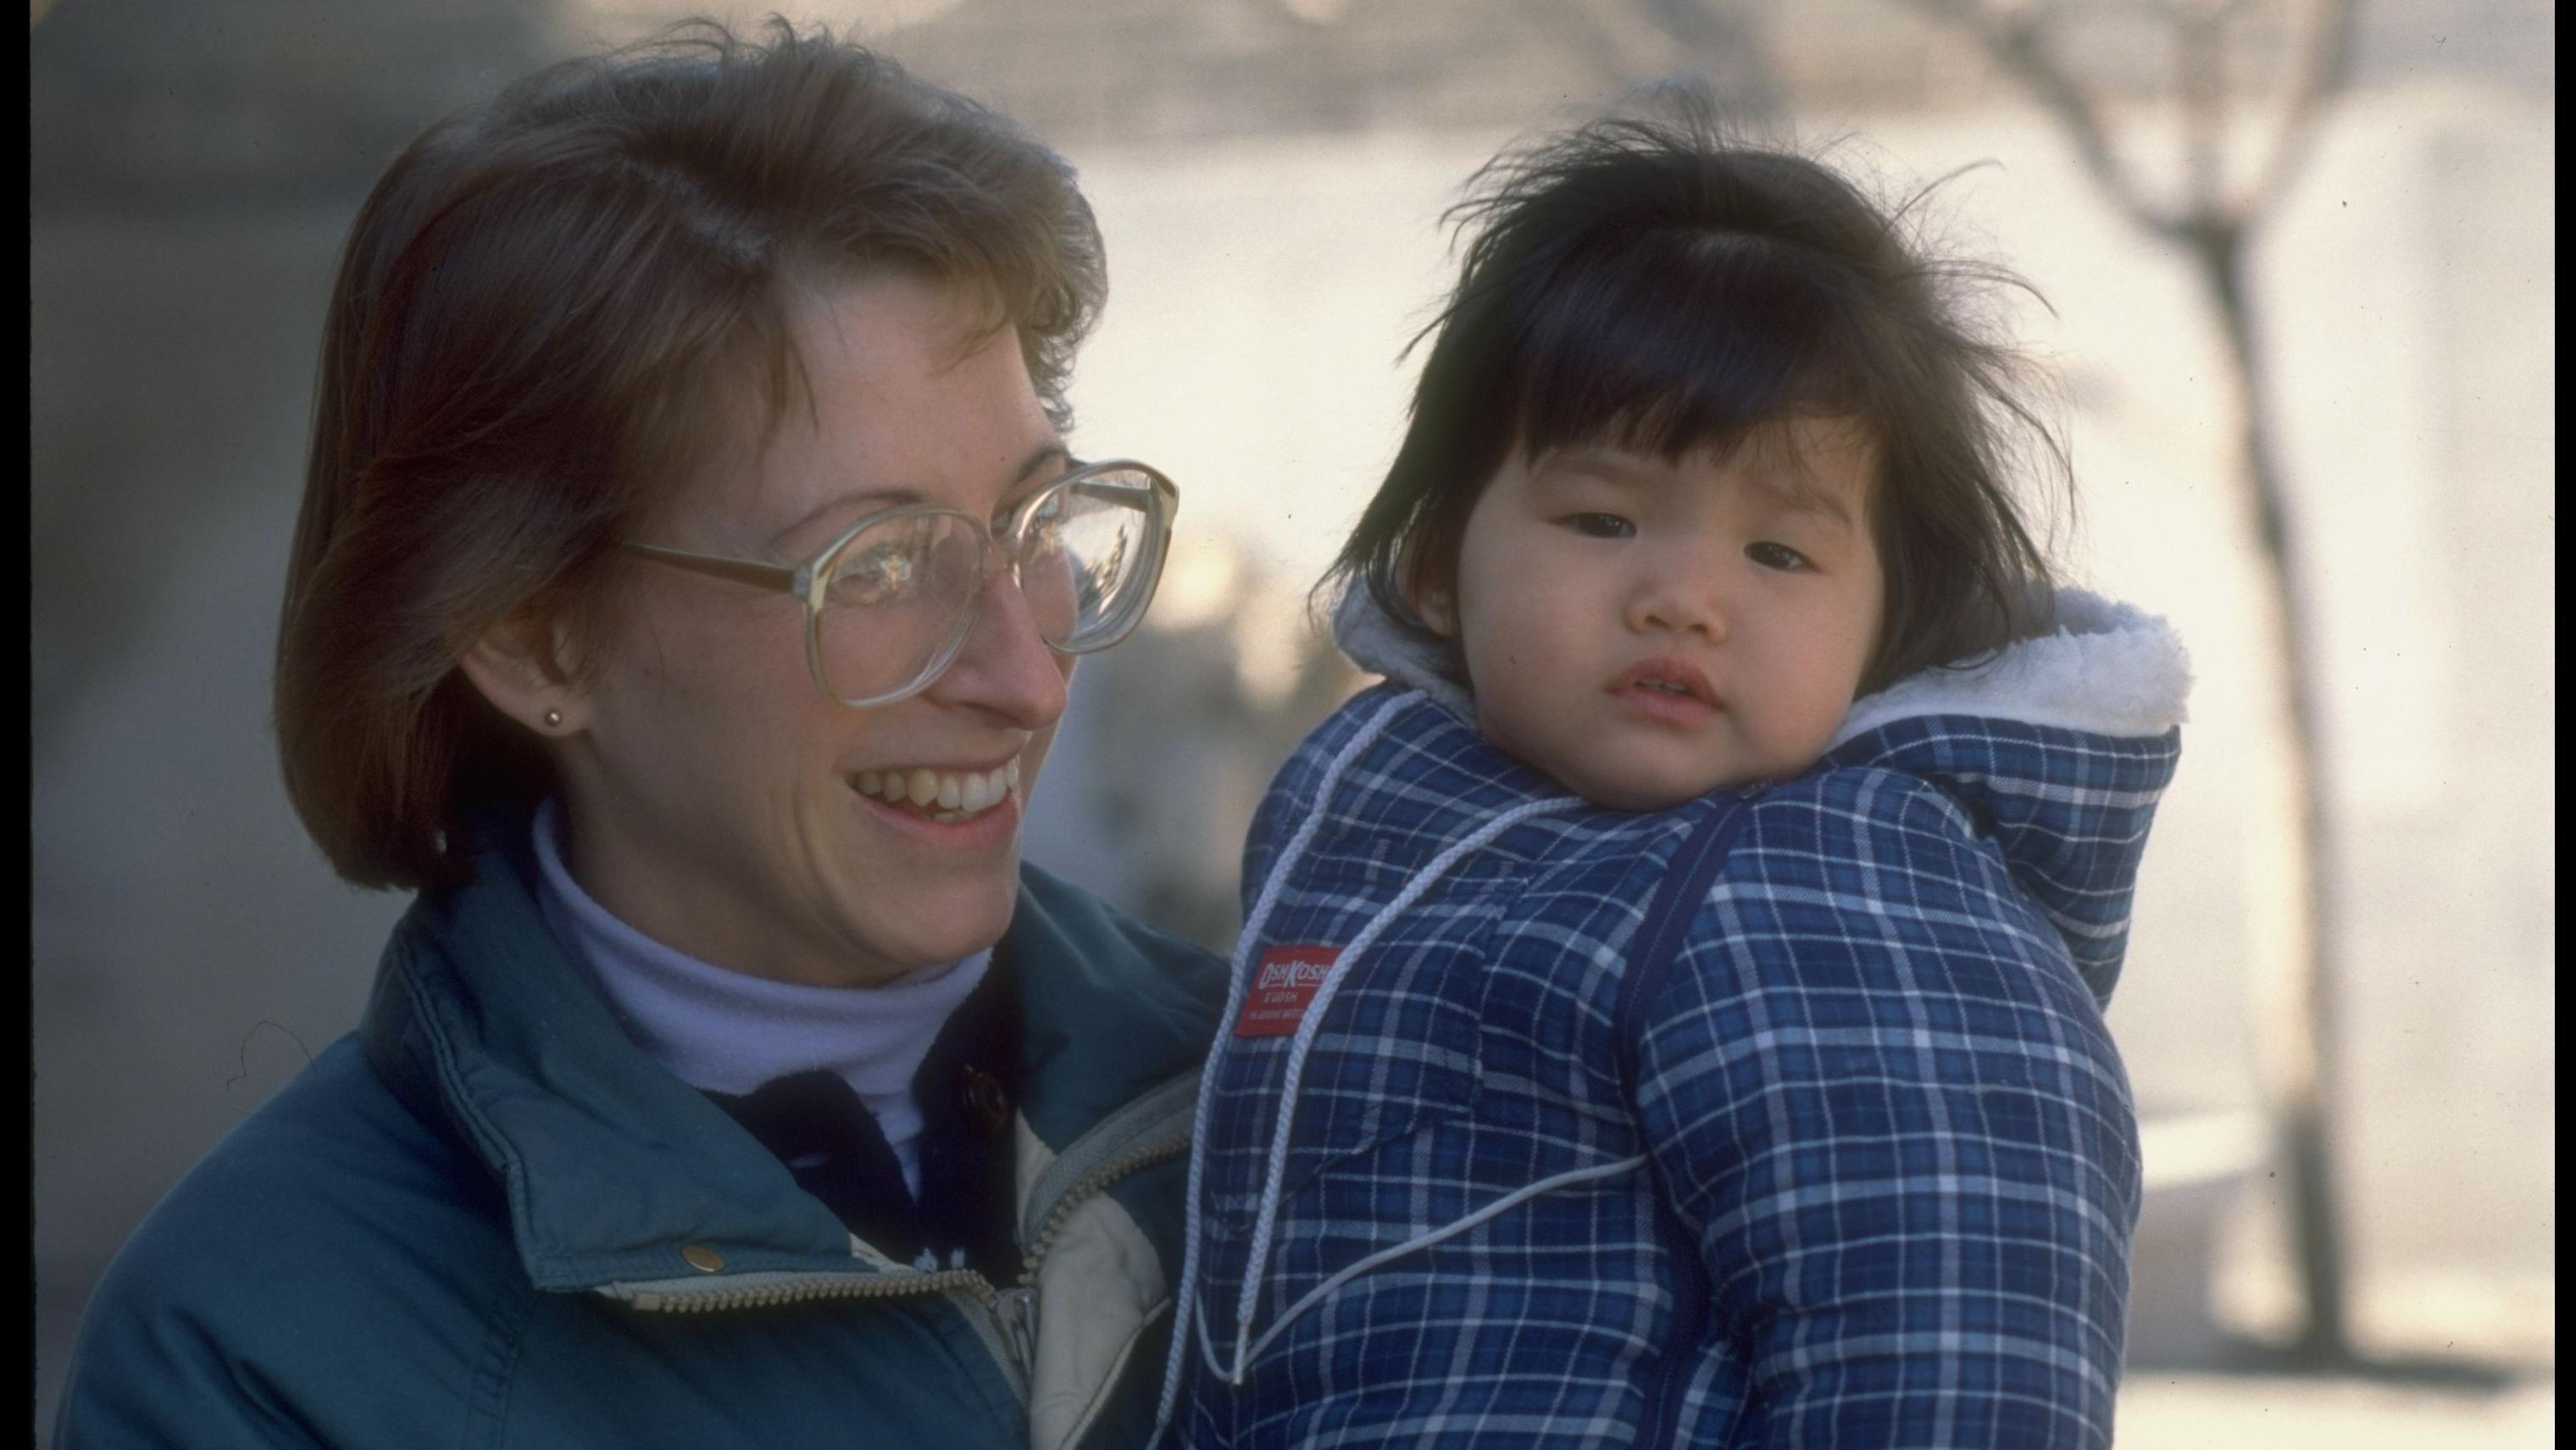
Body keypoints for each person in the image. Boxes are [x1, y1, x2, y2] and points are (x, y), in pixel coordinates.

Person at [54, 21, 1225, 1450]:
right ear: (533, 634)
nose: (1028, 677)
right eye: (872, 564)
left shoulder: (1291, 1102)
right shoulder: (256, 1362)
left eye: (1033, 522)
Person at [1157, 98, 2189, 1448]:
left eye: (1780, 555)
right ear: (1433, 565)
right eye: (1603, 518)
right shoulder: (1386, 803)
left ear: (1890, 625)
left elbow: (1953, 1369)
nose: (1686, 599)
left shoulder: (1850, 896)